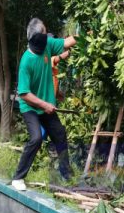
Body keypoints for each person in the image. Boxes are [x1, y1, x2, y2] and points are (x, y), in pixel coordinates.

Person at [12, 18, 77, 191]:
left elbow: (67, 42)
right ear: (35, 37)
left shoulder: (47, 44)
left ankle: (67, 175)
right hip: (31, 108)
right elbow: (24, 94)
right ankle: (18, 178)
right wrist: (44, 105)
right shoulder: (26, 61)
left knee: (60, 134)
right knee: (36, 138)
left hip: (46, 107)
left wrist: (85, 33)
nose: (46, 36)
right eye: (44, 33)